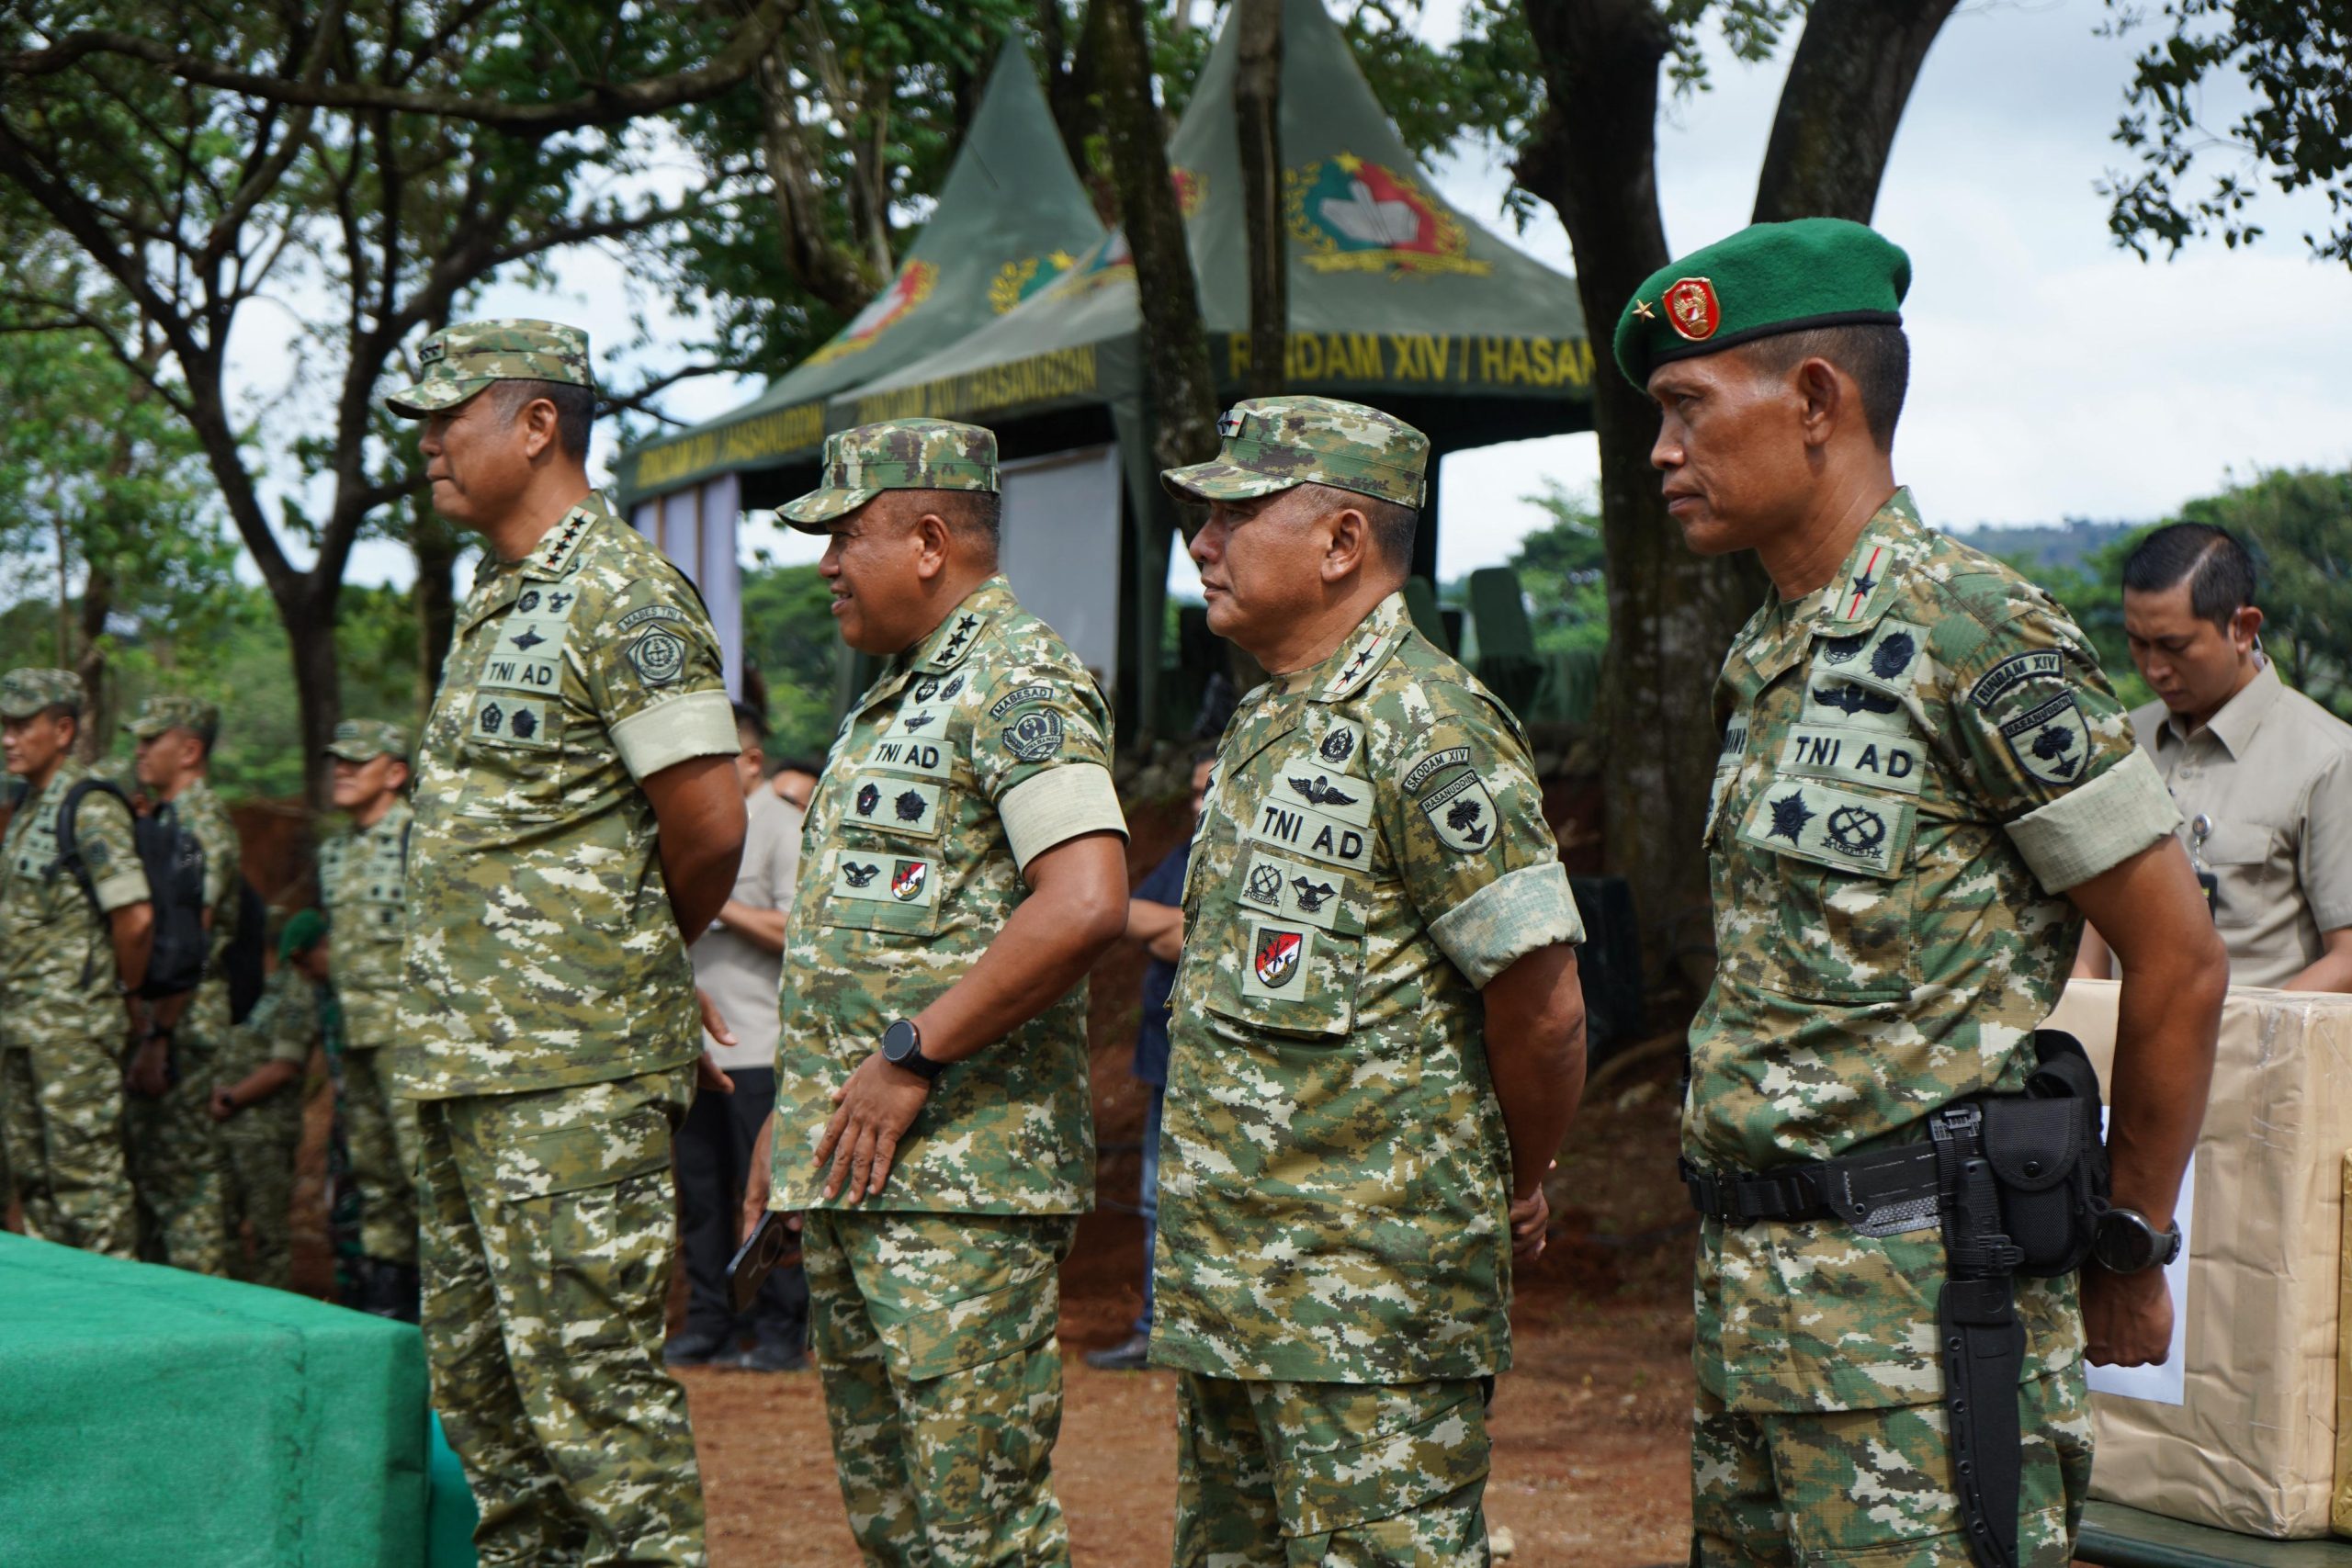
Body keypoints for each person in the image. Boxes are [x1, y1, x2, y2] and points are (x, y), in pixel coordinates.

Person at [1613, 218, 2227, 1567]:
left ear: (1817, 401)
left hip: (1921, 1328)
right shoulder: (1770, 651)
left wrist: (2131, 1237)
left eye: (1684, 410)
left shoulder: (1974, 630)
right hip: (1756, 1315)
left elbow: (2177, 958)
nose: (1660, 452)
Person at [1152, 397, 1590, 1564]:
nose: (1201, 541)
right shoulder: (1269, 722)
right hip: (1233, 1288)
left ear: (1343, 542)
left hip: (1371, 1304)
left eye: (1235, 513)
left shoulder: (1430, 727)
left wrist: (1523, 1172)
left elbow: (1541, 1006)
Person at [386, 318, 747, 1568]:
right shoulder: (496, 599)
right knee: (492, 1415)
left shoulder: (625, 595)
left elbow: (708, 827)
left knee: (598, 1415)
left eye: (451, 414)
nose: (426, 444)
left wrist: (635, 973)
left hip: (571, 1076)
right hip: (465, 1067)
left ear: (539, 423)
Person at [741, 417, 1131, 1567]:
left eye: (841, 537)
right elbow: (861, 944)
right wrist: (796, 1110)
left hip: (962, 1185)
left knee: (979, 1531)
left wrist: (912, 1054)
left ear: (925, 540)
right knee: (897, 1525)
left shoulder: (1018, 679)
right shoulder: (898, 692)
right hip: (860, 1170)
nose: (822, 567)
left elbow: (1083, 900)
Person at [2073, 523, 2352, 990]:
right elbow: (2091, 941)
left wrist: (2243, 1046)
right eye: (2138, 643)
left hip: (2261, 1058)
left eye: (2174, 646)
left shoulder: (2328, 759)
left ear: (2243, 629)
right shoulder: (2119, 744)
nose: (2155, 668)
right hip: (2120, 1059)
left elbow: (2346, 960)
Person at [667, 701, 809, 1373]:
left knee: (771, 1200)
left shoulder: (784, 828)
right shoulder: (688, 827)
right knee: (700, 1198)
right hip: (695, 1051)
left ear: (751, 760)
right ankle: (709, 1322)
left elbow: (797, 931)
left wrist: (712, 895)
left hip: (762, 1045)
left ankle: (782, 1327)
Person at [0, 669, 153, 1256]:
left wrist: (121, 995)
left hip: (73, 1030)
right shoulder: (27, 806)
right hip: (22, 1028)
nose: (8, 738)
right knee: (36, 1186)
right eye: (4, 725)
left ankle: (119, 1329)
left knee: (88, 1188)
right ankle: (65, 1325)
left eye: (22, 725)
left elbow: (134, 918)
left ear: (63, 730)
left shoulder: (87, 806)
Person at [1086, 749, 1216, 1374]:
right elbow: (1128, 914)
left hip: (1223, 1071)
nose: (1199, 803)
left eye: (1211, 789)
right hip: (1167, 1062)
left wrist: (1178, 931)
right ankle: (1155, 1327)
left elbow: (1199, 934)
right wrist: (1191, 928)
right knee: (1153, 1201)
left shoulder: (1252, 855)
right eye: (1193, 791)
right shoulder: (1187, 855)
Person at [124, 693, 242, 1276]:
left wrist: (159, 1035)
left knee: (185, 1183)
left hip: (184, 1020)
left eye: (152, 740)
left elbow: (187, 938)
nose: (139, 750)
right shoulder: (169, 818)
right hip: (170, 1018)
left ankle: (206, 1319)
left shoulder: (199, 824)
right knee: (154, 1177)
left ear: (189, 749)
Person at [318, 716, 424, 1317]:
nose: (342, 771)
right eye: (338, 761)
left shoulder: (419, 838)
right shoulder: (333, 852)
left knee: (419, 1174)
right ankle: (390, 1309)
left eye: (357, 762)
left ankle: (445, 1310)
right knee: (374, 1175)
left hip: (405, 1038)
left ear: (395, 772)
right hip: (353, 1034)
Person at [210, 909, 330, 1291]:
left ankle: (271, 1311)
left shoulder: (298, 996)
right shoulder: (278, 988)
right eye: (324, 946)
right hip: (236, 1127)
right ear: (301, 952)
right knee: (224, 1225)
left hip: (263, 1130)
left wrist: (230, 1099)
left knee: (268, 1234)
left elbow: (284, 1066)